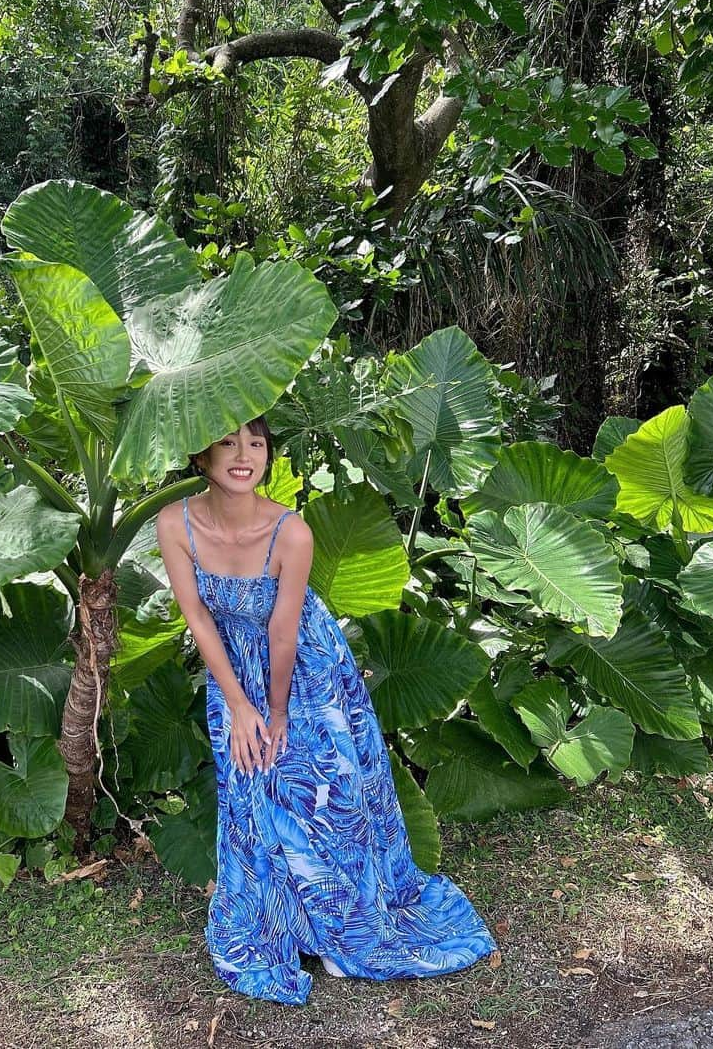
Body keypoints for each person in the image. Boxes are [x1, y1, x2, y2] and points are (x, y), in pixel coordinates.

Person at [155, 417, 499, 1005]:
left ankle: (346, 927)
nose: (245, 456)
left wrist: (278, 713)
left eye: (257, 444)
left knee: (325, 797)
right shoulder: (175, 522)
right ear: (201, 456)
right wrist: (239, 705)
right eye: (229, 443)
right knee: (253, 797)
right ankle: (281, 922)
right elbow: (197, 617)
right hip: (232, 672)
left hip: (309, 675)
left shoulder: (291, 533)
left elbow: (285, 633)